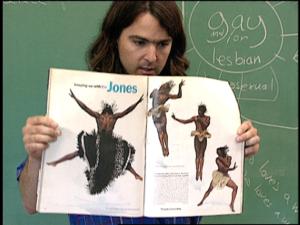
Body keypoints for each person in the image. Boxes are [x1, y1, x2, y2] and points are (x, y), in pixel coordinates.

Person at [18, 1, 260, 224]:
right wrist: (36, 157)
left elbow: (205, 177)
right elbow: (30, 203)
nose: (152, 57)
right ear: (115, 39)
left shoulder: (191, 98)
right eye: (139, 42)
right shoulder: (73, 107)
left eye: (163, 44)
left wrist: (238, 144)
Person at [46, 89, 143, 194]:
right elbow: (85, 108)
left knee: (121, 158)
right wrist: (75, 98)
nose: (106, 117)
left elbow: (127, 111)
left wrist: (137, 102)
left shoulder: (109, 117)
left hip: (109, 143)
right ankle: (57, 162)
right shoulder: (103, 116)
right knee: (79, 153)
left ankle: (135, 174)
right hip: (99, 141)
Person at [172, 104, 211, 181]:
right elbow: (185, 122)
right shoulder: (195, 118)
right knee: (197, 155)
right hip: (197, 136)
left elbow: (205, 125)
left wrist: (199, 120)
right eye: (198, 111)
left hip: (204, 136)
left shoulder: (207, 118)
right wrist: (175, 118)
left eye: (201, 111)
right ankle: (197, 171)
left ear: (204, 111)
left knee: (202, 155)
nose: (199, 112)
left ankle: (201, 171)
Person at [148, 80, 184, 156]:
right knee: (161, 132)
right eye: (162, 85)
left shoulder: (165, 94)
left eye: (164, 86)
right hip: (156, 113)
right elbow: (150, 96)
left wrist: (180, 87)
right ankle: (164, 148)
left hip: (159, 113)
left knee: (163, 131)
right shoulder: (160, 93)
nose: (162, 86)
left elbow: (179, 96)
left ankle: (165, 147)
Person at [197, 145, 238, 212]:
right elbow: (223, 168)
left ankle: (232, 204)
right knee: (209, 189)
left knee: (235, 187)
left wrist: (229, 164)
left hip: (225, 176)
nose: (218, 154)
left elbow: (227, 165)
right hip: (218, 175)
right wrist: (232, 168)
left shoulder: (229, 157)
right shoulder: (218, 159)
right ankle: (202, 201)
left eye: (219, 152)